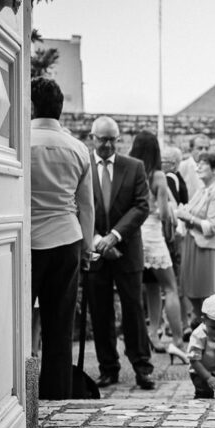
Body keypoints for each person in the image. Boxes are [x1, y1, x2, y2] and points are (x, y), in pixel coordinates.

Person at [29, 77, 94, 399]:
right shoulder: (78, 148)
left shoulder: (20, 141)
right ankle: (57, 394)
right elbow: (87, 205)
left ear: (30, 104)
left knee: (17, 323)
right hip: (67, 239)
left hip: (25, 241)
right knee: (60, 326)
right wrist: (88, 247)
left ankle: (16, 390)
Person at [86, 116, 155, 389]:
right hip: (94, 251)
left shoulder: (133, 167)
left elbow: (141, 206)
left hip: (127, 251)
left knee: (133, 311)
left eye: (113, 139)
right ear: (93, 137)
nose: (107, 144)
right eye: (102, 139)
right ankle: (108, 368)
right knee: (100, 311)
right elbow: (75, 205)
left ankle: (142, 367)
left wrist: (114, 237)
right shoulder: (83, 166)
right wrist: (96, 240)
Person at [128, 131, 188, 365]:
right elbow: (163, 213)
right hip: (153, 234)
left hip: (133, 235)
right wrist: (172, 214)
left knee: (149, 287)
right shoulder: (158, 176)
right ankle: (179, 340)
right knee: (170, 287)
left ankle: (152, 333)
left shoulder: (130, 170)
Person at [175, 150, 215, 325]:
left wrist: (188, 217)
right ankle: (200, 328)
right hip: (193, 244)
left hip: (207, 248)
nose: (198, 166)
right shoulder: (202, 189)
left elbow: (213, 226)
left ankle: (210, 333)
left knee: (207, 296)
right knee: (192, 293)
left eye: (203, 163)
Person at [160, 145, 192, 331]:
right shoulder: (179, 178)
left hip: (173, 237)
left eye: (162, 161)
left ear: (171, 164)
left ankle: (179, 324)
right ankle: (180, 322)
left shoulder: (168, 178)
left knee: (173, 282)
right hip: (180, 235)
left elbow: (171, 209)